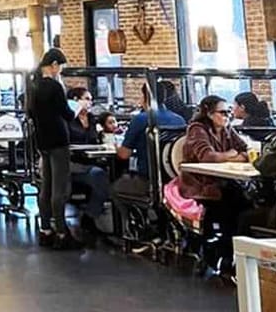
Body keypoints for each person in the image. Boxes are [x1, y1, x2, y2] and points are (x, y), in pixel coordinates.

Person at [179, 95, 250, 267]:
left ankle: (235, 252)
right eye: (223, 112)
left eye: (229, 112)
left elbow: (245, 151)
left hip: (222, 181)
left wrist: (230, 156)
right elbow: (207, 157)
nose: (227, 116)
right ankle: (224, 254)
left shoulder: (226, 129)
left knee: (245, 202)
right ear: (209, 114)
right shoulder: (197, 129)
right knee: (234, 203)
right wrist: (233, 155)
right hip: (200, 184)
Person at [110, 81, 186, 233]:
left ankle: (136, 226)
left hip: (148, 181)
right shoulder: (179, 119)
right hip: (175, 181)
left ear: (145, 97)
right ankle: (157, 222)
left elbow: (124, 155)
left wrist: (114, 145)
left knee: (114, 189)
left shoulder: (141, 119)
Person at [27, 47, 81, 249]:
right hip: (59, 140)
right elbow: (66, 114)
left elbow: (31, 113)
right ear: (54, 65)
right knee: (60, 188)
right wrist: (78, 108)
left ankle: (45, 230)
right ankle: (61, 232)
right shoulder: (54, 87)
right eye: (61, 67)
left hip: (43, 140)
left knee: (46, 186)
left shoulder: (33, 86)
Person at [66, 86, 111, 237]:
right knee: (99, 176)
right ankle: (90, 216)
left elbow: (98, 139)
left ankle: (92, 213)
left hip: (92, 161)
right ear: (75, 101)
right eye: (86, 99)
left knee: (109, 172)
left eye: (91, 99)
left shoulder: (92, 119)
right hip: (74, 164)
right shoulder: (69, 120)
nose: (90, 103)